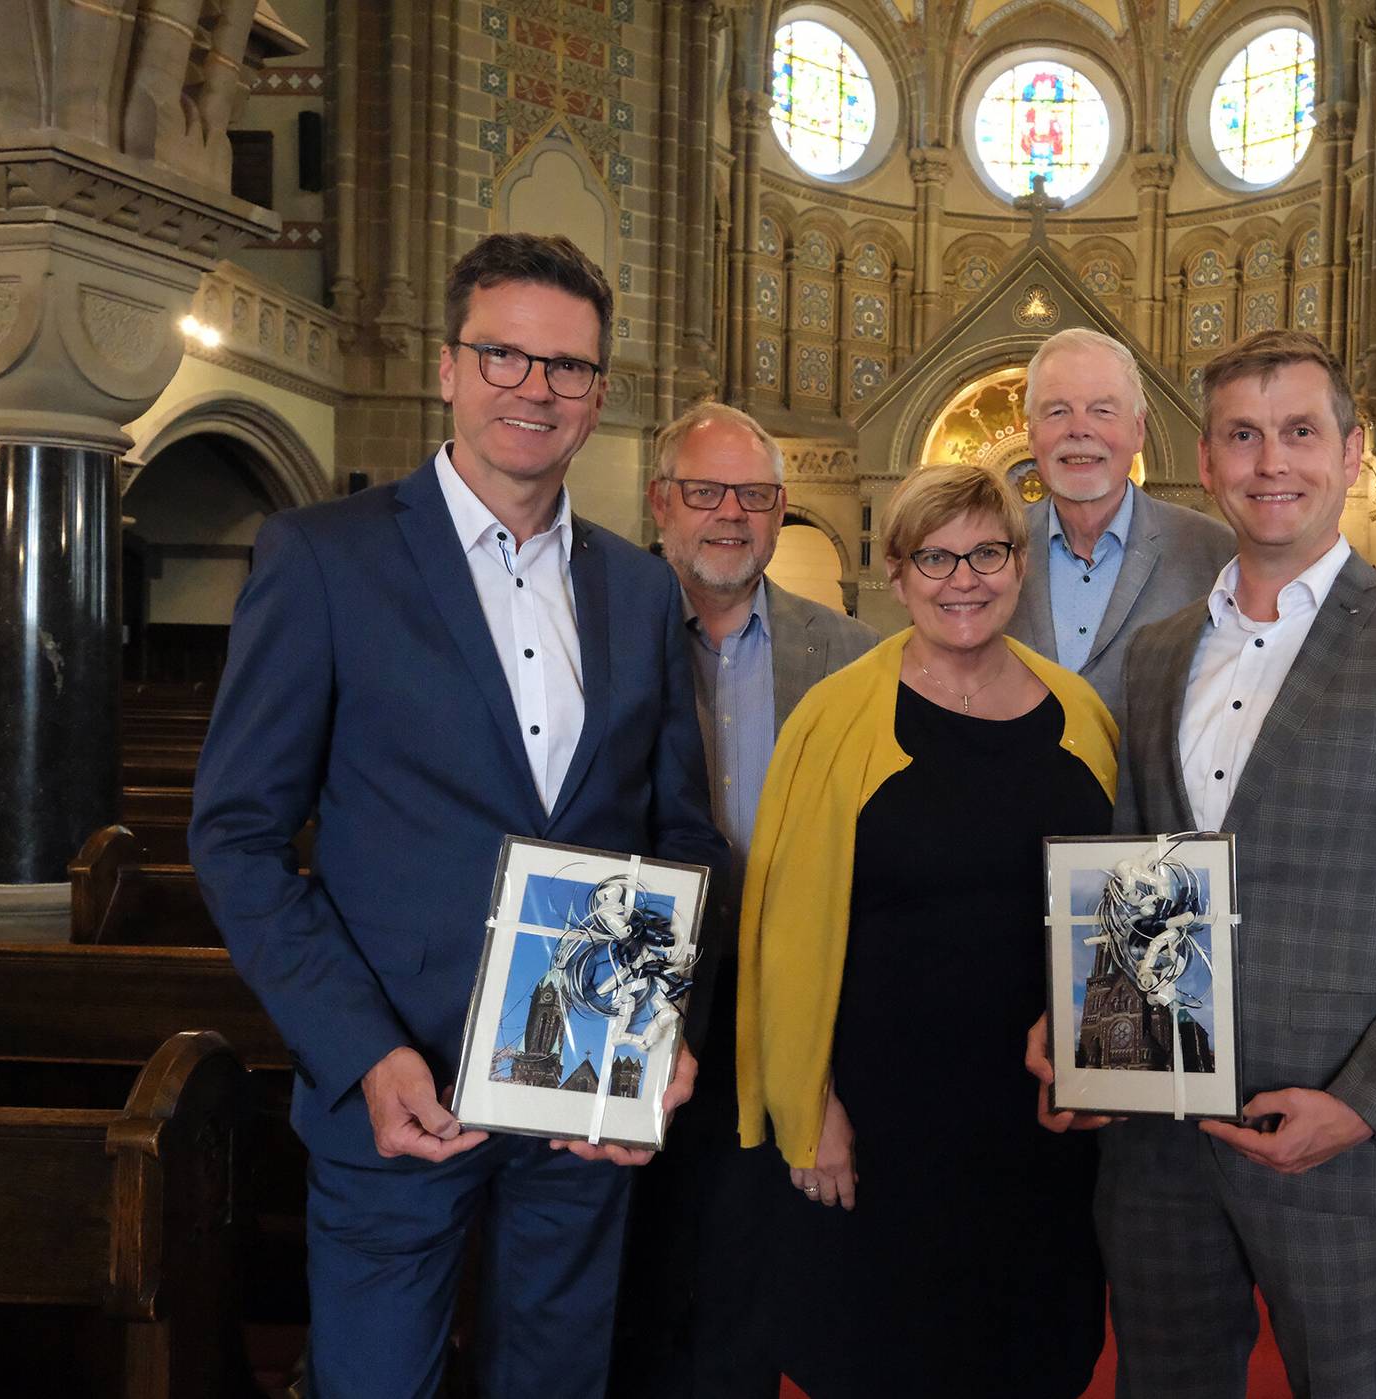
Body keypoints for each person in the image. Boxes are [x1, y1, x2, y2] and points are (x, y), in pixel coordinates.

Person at [188, 232, 726, 1399]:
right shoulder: (323, 559)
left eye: (568, 367)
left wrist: (656, 1032)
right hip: (399, 1090)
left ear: (597, 393)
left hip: (583, 1094)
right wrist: (361, 1050)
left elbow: (678, 833)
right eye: (504, 355)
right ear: (447, 366)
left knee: (557, 1381)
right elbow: (236, 837)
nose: (535, 389)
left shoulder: (638, 591)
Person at [1031, 329, 1376, 1398]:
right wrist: (1092, 1037)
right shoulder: (1163, 650)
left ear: (1353, 455)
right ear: (1203, 463)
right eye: (1244, 438)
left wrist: (1365, 1104)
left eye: (1301, 433)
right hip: (1161, 1148)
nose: (1272, 464)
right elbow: (1138, 877)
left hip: (1342, 1143)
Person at [737, 464, 1116, 1398]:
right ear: (898, 573)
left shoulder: (1084, 714)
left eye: (987, 552)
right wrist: (808, 1103)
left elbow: (1122, 912)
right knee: (884, 1363)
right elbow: (781, 931)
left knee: (1033, 1357)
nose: (964, 578)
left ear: (1019, 563)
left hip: (1040, 1118)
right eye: (936, 557)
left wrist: (1114, 1058)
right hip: (880, 1121)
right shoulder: (833, 717)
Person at [622, 400, 876, 1398]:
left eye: (757, 496)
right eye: (705, 491)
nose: (731, 513)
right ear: (660, 503)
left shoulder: (850, 653)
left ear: (782, 513)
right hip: (636, 992)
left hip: (779, 1001)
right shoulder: (600, 630)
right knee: (631, 1267)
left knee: (744, 1269)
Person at [1007, 326, 1235, 721]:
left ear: (1138, 430)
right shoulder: (994, 551)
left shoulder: (1215, 554)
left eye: (1103, 411)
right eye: (1057, 411)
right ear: (1031, 434)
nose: (1079, 429)